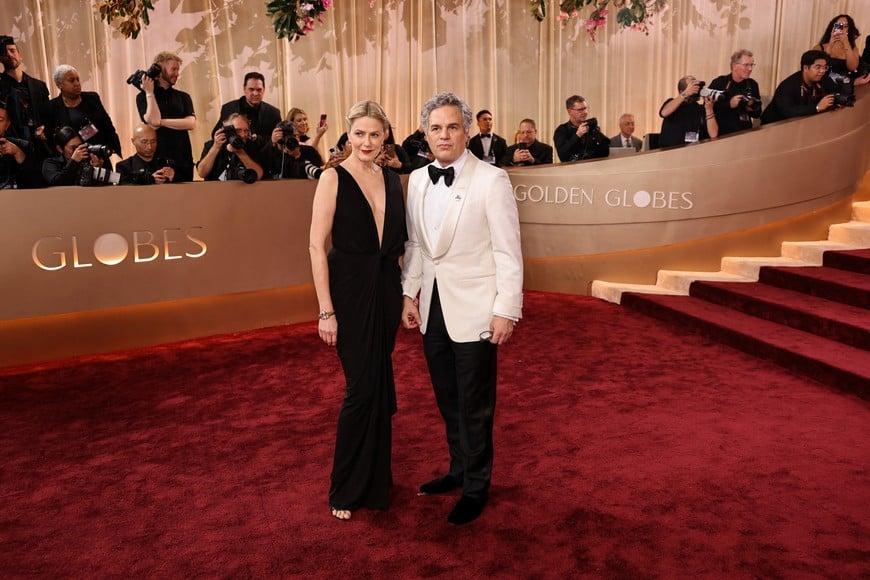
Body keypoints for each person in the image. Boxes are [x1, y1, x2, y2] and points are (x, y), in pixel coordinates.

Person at [401, 92, 523, 526]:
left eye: (452, 126)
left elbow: (508, 251)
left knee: (475, 404)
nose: (444, 135)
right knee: (447, 399)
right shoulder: (417, 179)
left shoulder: (492, 179)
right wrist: (409, 294)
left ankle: (477, 486)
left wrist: (506, 309)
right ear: (425, 134)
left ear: (467, 131)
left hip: (476, 311)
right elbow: (415, 246)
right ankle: (458, 470)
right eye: (436, 128)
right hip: (432, 308)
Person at [309, 100, 407, 521]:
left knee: (379, 385)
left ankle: (376, 476)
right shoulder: (332, 177)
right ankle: (345, 487)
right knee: (361, 388)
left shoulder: (392, 179)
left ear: (386, 136)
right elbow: (316, 245)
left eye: (375, 134)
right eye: (360, 134)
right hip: (348, 293)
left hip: (385, 291)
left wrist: (407, 297)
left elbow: (400, 247)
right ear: (348, 135)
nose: (367, 142)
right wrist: (325, 310)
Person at [40, 65, 121, 162]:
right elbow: (52, 140)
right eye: (71, 80)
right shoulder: (50, 107)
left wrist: (110, 148)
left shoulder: (92, 98)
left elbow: (107, 125)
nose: (77, 83)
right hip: (72, 161)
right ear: (59, 85)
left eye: (78, 79)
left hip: (98, 154)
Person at [136, 52, 196, 182]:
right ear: (159, 69)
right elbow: (152, 123)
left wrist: (161, 122)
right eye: (173, 69)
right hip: (157, 159)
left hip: (183, 158)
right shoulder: (142, 97)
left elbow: (190, 123)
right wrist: (150, 93)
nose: (177, 73)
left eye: (178, 69)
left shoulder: (183, 96)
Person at [211, 72, 281, 155]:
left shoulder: (273, 113)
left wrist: (259, 138)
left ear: (264, 90)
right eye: (251, 89)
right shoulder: (228, 108)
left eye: (259, 90)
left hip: (263, 158)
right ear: (244, 89)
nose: (255, 93)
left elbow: (278, 139)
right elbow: (216, 134)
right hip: (233, 155)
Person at [761, 50, 836, 125]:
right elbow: (788, 112)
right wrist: (817, 108)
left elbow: (835, 92)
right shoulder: (788, 86)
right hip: (775, 125)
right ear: (806, 68)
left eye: (825, 67)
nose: (822, 71)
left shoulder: (824, 79)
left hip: (803, 123)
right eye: (818, 67)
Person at [0, 36, 49, 143]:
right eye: (5, 52)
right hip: (13, 145)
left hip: (41, 145)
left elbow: (48, 113)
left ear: (20, 55)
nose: (9, 54)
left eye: (12, 50)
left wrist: (45, 128)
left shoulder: (39, 86)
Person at [196, 113, 265, 181]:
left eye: (246, 131)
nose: (243, 135)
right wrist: (216, 147)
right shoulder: (212, 145)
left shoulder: (251, 145)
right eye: (238, 131)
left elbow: (258, 175)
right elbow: (202, 173)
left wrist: (240, 153)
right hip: (215, 189)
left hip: (243, 190)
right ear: (227, 130)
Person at [708, 50, 762, 136]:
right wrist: (729, 104)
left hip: (745, 134)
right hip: (721, 134)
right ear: (734, 66)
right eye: (746, 65)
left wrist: (749, 106)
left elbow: (757, 114)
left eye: (752, 65)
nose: (750, 69)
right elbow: (707, 108)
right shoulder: (719, 82)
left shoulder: (752, 84)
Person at [658, 75, 719, 147]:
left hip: (693, 150)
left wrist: (709, 109)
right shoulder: (672, 103)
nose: (695, 89)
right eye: (691, 86)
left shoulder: (700, 108)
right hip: (671, 151)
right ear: (681, 91)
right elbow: (664, 113)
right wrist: (686, 93)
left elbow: (714, 134)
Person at [812, 15, 870, 91]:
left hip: (845, 88)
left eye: (845, 26)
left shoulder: (853, 49)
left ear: (849, 30)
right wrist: (830, 44)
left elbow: (852, 67)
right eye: (839, 25)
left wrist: (846, 43)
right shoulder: (819, 47)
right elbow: (816, 69)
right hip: (823, 87)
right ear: (833, 27)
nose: (841, 29)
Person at [41, 125, 107, 186]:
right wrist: (73, 161)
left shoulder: (88, 159)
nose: (78, 150)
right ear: (60, 149)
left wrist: (97, 170)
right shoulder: (50, 163)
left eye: (79, 146)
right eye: (73, 148)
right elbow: (58, 182)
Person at [553, 95, 609, 162]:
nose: (585, 112)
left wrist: (597, 135)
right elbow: (563, 156)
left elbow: (604, 154)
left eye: (585, 108)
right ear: (569, 111)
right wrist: (577, 135)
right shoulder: (561, 130)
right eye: (580, 110)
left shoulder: (590, 128)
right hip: (572, 170)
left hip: (594, 168)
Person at [0, 103, 40, 188]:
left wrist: (19, 153)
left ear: (7, 125)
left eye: (0, 120)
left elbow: (35, 183)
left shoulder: (23, 146)